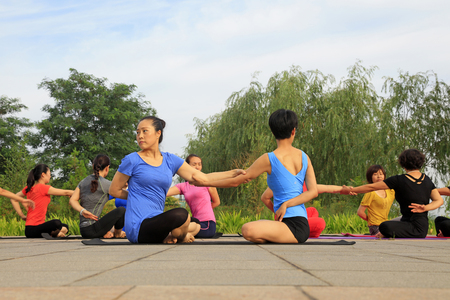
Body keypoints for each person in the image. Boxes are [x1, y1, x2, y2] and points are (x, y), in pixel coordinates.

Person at [109, 116, 244, 244]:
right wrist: (137, 195)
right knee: (182, 214)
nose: (140, 136)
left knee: (187, 219)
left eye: (145, 131)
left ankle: (173, 236)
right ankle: (179, 236)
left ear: (158, 134)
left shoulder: (170, 160)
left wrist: (232, 173)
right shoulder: (132, 160)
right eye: (138, 132)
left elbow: (203, 178)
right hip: (138, 226)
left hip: (158, 220)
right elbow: (114, 190)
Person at [192, 109, 319, 244]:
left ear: (273, 132)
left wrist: (206, 182)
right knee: (256, 226)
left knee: (247, 229)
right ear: (293, 131)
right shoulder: (305, 157)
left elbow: (237, 181)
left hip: (294, 227)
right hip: (299, 224)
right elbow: (313, 191)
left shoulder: (269, 159)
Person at [341, 149, 444, 238]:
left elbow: (371, 187)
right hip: (422, 228)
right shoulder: (427, 180)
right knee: (390, 223)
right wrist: (425, 208)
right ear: (421, 162)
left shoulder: (398, 180)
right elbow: (439, 200)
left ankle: (390, 232)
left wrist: (352, 189)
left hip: (413, 228)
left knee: (384, 226)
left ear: (402, 163)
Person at [69, 154, 126, 239]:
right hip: (93, 229)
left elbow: (72, 200)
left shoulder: (83, 182)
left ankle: (108, 232)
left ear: (93, 166)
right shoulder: (106, 184)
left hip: (84, 230)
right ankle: (118, 234)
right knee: (121, 210)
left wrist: (82, 211)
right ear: (107, 168)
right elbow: (127, 195)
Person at [11, 164, 73, 238]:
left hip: (31, 229)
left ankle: (55, 233)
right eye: (49, 174)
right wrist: (80, 193)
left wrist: (22, 216)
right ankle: (54, 233)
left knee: (65, 226)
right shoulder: (42, 187)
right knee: (57, 223)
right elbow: (65, 192)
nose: (50, 176)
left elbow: (13, 198)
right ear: (43, 175)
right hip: (34, 229)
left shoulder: (29, 187)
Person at [167, 154, 220, 238]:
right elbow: (164, 193)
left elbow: (216, 202)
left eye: (199, 164)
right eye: (194, 164)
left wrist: (203, 210)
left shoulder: (206, 182)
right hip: (195, 222)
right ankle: (184, 236)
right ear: (187, 167)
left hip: (207, 224)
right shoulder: (183, 186)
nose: (197, 167)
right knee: (178, 226)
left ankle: (181, 235)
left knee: (177, 231)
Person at [260, 184, 342, 238]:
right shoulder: (280, 180)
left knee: (313, 211)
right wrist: (277, 212)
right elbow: (264, 197)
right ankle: (299, 231)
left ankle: (302, 230)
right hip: (287, 218)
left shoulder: (301, 181)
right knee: (320, 223)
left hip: (298, 215)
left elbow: (327, 188)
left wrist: (345, 189)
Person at [356, 165, 396, 235]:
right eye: (375, 174)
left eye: (381, 174)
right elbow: (360, 212)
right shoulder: (370, 193)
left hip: (386, 224)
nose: (379, 176)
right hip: (375, 226)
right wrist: (371, 220)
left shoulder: (391, 191)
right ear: (370, 177)